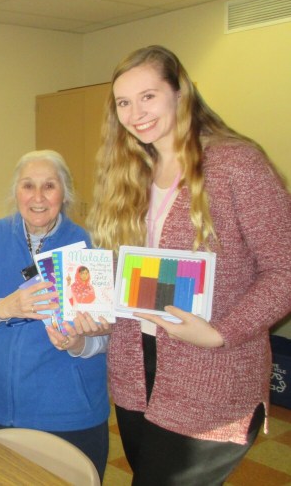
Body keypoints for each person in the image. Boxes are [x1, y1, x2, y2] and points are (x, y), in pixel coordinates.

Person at [86, 45, 291, 485]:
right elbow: (121, 272)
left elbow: (285, 270)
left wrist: (220, 333)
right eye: (123, 102)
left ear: (181, 93)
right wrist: (89, 310)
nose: (135, 113)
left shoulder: (236, 164)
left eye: (148, 96)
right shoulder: (131, 172)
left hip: (212, 373)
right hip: (135, 371)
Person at [0, 150, 110, 481]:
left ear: (65, 193)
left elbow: (104, 336)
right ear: (16, 192)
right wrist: (4, 307)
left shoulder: (89, 244)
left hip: (64, 413)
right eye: (28, 186)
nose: (37, 197)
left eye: (49, 186)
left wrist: (79, 342)